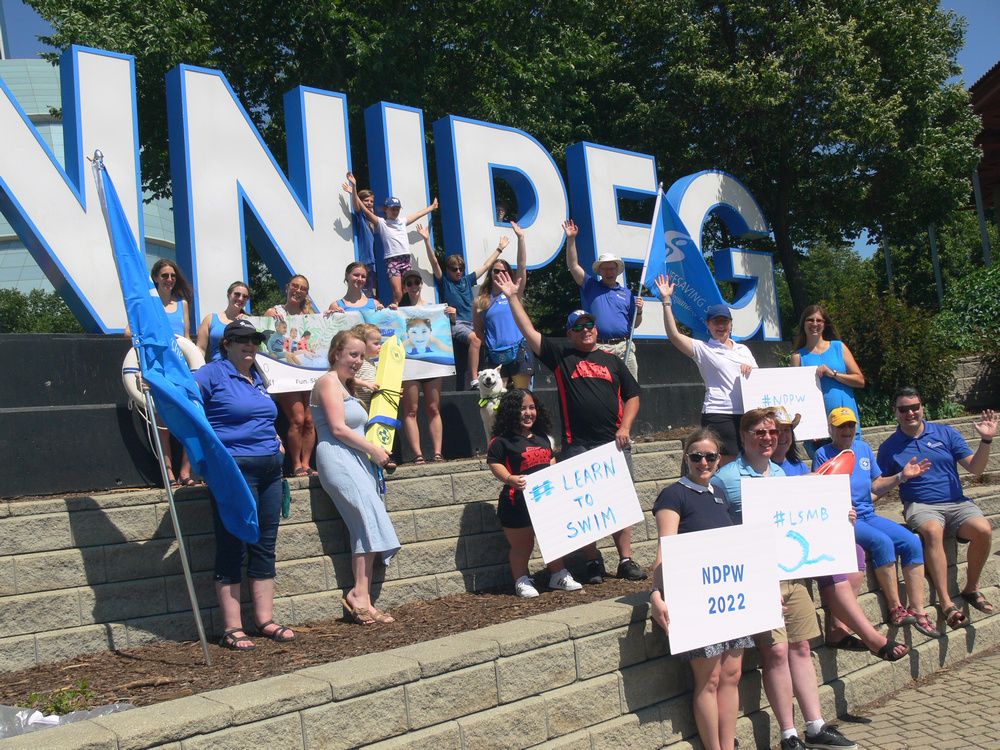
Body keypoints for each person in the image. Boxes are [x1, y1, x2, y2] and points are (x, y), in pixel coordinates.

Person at [713, 408, 892, 750]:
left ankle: (815, 725)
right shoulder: (727, 478)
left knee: (800, 646)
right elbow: (719, 532)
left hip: (793, 576)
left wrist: (842, 517)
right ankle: (788, 734)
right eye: (759, 432)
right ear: (743, 436)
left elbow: (800, 522)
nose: (768, 438)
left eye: (772, 432)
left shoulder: (780, 474)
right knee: (777, 652)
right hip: (759, 578)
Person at [493, 270, 647, 583]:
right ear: (571, 333)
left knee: (620, 502)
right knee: (585, 507)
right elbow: (529, 331)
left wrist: (625, 428)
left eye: (590, 324)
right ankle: (591, 562)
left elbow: (633, 397)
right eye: (579, 326)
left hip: (614, 443)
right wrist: (512, 297)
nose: (586, 329)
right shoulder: (562, 357)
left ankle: (626, 559)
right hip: (578, 444)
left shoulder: (612, 361)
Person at [769, 407, 918, 653]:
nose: (783, 436)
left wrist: (840, 511)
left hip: (812, 534)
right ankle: (874, 637)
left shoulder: (796, 465)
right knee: (854, 553)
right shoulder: (781, 464)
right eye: (777, 431)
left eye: (787, 431)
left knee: (857, 553)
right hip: (791, 545)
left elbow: (816, 501)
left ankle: (839, 628)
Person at [193, 319, 295, 650]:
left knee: (264, 545)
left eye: (254, 340)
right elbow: (182, 404)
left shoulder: (258, 376)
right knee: (233, 545)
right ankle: (232, 627)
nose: (250, 345)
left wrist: (276, 437)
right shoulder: (211, 374)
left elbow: (263, 415)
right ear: (227, 344)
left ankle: (264, 620)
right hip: (234, 472)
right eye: (242, 340)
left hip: (270, 471)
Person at [650, 427, 751, 750]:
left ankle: (727, 743)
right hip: (697, 600)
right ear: (686, 458)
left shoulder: (718, 493)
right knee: (708, 679)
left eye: (710, 456)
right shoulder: (673, 494)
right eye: (696, 456)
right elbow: (665, 548)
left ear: (719, 460)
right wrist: (656, 594)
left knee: (731, 674)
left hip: (729, 596)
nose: (703, 462)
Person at [877, 386, 997, 628]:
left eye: (914, 407)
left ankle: (971, 588)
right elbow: (879, 484)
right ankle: (946, 603)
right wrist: (900, 476)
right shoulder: (890, 447)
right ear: (895, 412)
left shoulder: (945, 433)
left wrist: (986, 440)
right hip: (921, 505)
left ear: (922, 408)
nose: (910, 413)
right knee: (933, 531)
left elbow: (976, 468)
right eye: (904, 409)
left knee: (984, 529)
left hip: (957, 502)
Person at [814, 406, 938, 638]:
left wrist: (902, 476)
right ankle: (895, 608)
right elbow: (820, 489)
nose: (847, 430)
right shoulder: (823, 453)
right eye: (841, 426)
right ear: (831, 429)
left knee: (911, 541)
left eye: (851, 425)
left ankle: (919, 610)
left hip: (868, 514)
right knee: (882, 542)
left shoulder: (862, 448)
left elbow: (875, 485)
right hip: (844, 519)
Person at [312, 330, 399, 625]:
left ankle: (363, 596)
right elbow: (337, 428)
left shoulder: (345, 385)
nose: (358, 361)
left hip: (355, 459)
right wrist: (374, 450)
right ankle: (358, 596)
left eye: (361, 356)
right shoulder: (326, 383)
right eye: (352, 354)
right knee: (363, 517)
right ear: (336, 353)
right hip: (336, 457)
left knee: (370, 519)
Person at [487, 389, 582, 597]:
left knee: (553, 539)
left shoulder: (542, 438)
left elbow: (550, 460)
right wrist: (510, 479)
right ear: (511, 412)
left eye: (532, 408)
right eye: (522, 408)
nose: (528, 413)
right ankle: (521, 580)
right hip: (516, 504)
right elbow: (494, 463)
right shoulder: (501, 441)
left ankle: (558, 574)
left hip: (545, 502)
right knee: (523, 545)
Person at [654, 274, 756, 464]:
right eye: (716, 322)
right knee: (726, 463)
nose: (720, 326)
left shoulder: (744, 349)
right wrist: (666, 301)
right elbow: (674, 336)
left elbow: (760, 379)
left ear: (731, 324)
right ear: (708, 325)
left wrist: (751, 370)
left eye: (724, 321)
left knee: (749, 461)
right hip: (720, 413)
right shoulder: (703, 349)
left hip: (748, 413)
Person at [421, 224, 508, 389]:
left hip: (474, 322)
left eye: (461, 268)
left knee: (491, 337)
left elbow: (486, 265)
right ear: (448, 270)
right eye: (454, 269)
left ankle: (502, 374)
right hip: (457, 323)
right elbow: (434, 263)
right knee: (475, 340)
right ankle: (474, 379)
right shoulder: (445, 282)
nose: (458, 272)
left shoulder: (467, 281)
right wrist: (426, 240)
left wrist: (500, 248)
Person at [563, 219, 643, 379]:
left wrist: (639, 311)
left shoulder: (627, 294)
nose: (608, 271)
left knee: (631, 391)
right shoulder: (591, 286)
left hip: (624, 346)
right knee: (605, 390)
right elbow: (573, 266)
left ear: (617, 270)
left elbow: (636, 324)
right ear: (599, 271)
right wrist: (571, 239)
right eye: (604, 268)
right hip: (600, 347)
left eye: (612, 268)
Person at [343, 172, 438, 304]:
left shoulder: (402, 221)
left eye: (397, 209)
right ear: (386, 209)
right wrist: (353, 190)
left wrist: (431, 208)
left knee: (407, 290)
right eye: (392, 208)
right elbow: (364, 210)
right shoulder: (382, 223)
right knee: (398, 292)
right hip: (392, 260)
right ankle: (394, 315)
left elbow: (417, 214)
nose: (395, 211)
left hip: (406, 258)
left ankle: (406, 312)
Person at [143, 259, 194, 487]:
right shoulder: (148, 305)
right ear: (156, 278)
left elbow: (186, 336)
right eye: (164, 276)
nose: (169, 280)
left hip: (180, 368)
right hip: (159, 368)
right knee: (163, 423)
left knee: (189, 418)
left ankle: (186, 471)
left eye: (172, 276)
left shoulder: (182, 304)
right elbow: (130, 332)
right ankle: (169, 472)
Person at [790, 305, 865, 455]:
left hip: (846, 422)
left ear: (825, 324)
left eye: (819, 320)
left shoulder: (838, 347)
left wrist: (834, 374)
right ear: (803, 324)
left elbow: (860, 381)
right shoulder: (798, 357)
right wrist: (810, 427)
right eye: (810, 320)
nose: (815, 324)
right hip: (819, 431)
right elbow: (797, 396)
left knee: (852, 469)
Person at [265, 275, 318, 477]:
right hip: (285, 373)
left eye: (303, 288)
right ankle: (295, 464)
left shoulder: (311, 315)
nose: (297, 290)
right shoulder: (274, 313)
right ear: (287, 287)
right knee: (297, 419)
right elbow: (266, 342)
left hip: (310, 374)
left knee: (310, 420)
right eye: (294, 286)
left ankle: (306, 463)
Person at [473, 222, 533, 389]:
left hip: (519, 350)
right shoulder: (480, 300)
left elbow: (522, 266)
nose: (500, 274)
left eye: (504, 271)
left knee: (522, 397)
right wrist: (492, 344)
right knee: (497, 402)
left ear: (509, 274)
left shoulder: (514, 292)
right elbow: (478, 330)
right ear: (491, 274)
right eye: (496, 271)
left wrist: (521, 238)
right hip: (495, 356)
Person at [397, 269, 444, 463]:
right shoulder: (398, 310)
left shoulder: (433, 309)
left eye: (417, 282)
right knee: (411, 410)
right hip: (410, 366)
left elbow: (440, 339)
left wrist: (450, 314)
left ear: (421, 284)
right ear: (404, 287)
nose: (414, 286)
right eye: (409, 283)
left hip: (432, 364)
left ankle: (438, 452)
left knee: (433, 408)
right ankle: (417, 454)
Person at [197, 281, 250, 363]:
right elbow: (200, 349)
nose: (240, 298)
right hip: (217, 369)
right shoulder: (210, 319)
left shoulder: (249, 322)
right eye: (237, 294)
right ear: (228, 295)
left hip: (241, 369)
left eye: (245, 296)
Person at [341, 182, 379, 297]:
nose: (369, 203)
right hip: (365, 261)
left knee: (373, 291)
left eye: (371, 201)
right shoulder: (361, 218)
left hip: (373, 262)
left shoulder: (373, 221)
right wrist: (354, 189)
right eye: (366, 200)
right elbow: (357, 208)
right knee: (366, 292)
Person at [350, 323, 382, 411]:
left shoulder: (370, 362)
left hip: (370, 405)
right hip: (358, 405)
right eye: (376, 344)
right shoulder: (357, 362)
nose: (380, 346)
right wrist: (366, 384)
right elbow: (348, 379)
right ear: (362, 344)